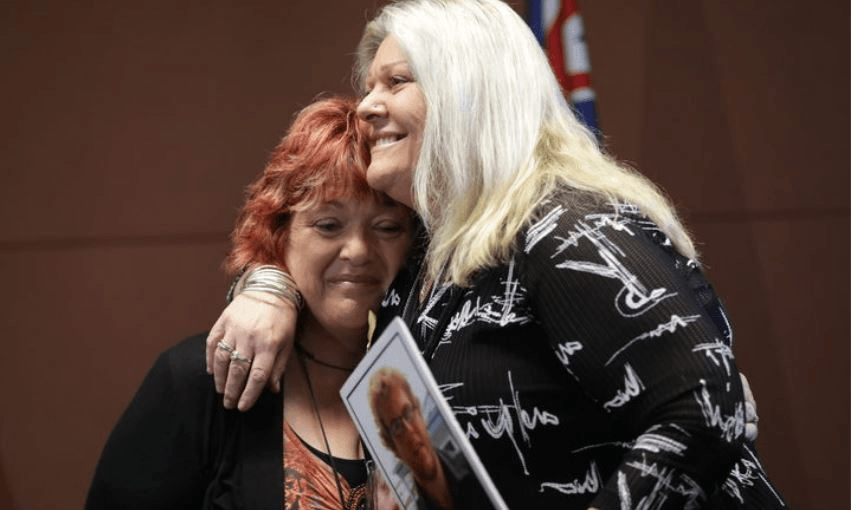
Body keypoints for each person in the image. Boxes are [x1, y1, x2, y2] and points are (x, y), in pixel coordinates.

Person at [205, 1, 787, 508]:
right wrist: (268, 285)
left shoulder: (570, 227)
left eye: (397, 81)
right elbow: (331, 259)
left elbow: (708, 408)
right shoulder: (436, 250)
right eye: (370, 85)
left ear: (471, 92)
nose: (367, 107)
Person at [85, 96, 414, 509]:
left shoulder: (433, 375)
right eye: (328, 225)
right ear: (281, 233)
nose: (359, 251)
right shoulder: (205, 377)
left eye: (387, 227)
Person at [367, 367, 490, 510]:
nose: (409, 430)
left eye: (408, 413)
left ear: (418, 411)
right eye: (397, 426)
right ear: (392, 446)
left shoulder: (476, 467)